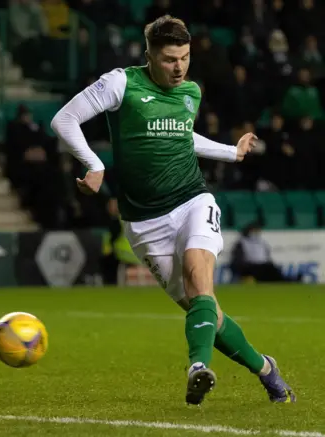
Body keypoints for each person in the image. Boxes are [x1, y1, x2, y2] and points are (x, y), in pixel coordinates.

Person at [50, 15, 295, 406]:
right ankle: (266, 369)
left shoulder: (191, 92)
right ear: (149, 55)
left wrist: (231, 152)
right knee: (207, 314)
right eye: (168, 59)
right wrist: (94, 164)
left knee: (201, 282)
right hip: (143, 222)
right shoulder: (121, 83)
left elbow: (181, 135)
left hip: (191, 200)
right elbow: (65, 119)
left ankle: (197, 369)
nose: (178, 67)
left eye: (184, 57)